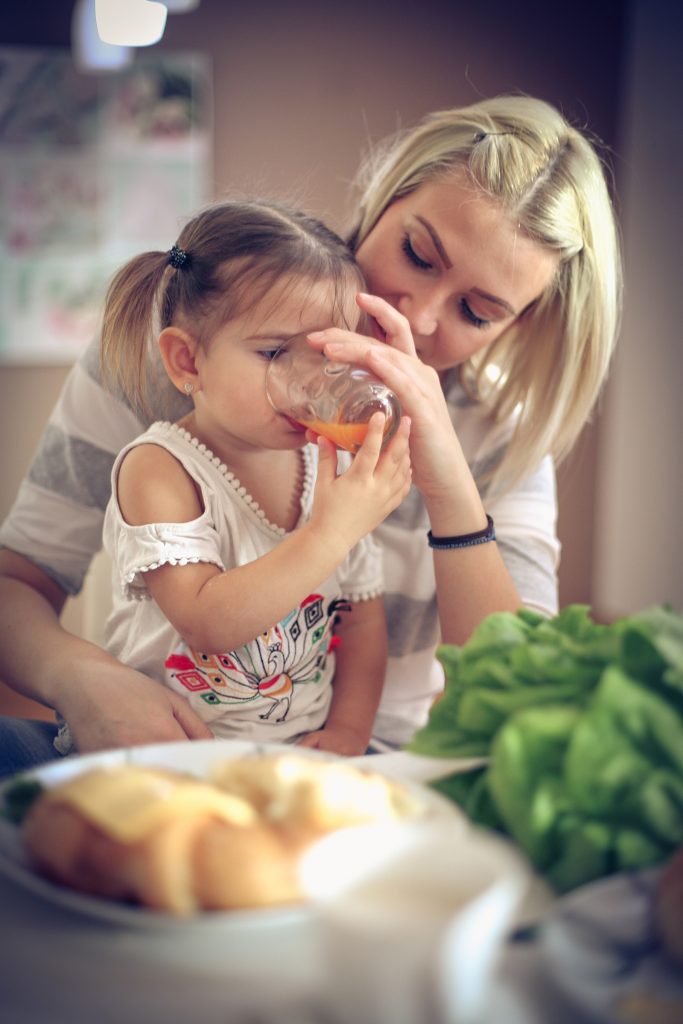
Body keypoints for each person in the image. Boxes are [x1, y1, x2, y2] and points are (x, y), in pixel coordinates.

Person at [0, 94, 622, 773]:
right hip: (169, 739)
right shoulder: (181, 359)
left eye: (476, 311)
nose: (416, 320)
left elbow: (519, 700)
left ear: (517, 325)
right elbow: (17, 581)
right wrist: (84, 679)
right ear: (384, 200)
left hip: (373, 763)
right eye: (416, 253)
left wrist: (446, 484)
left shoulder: (504, 429)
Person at [57, 199, 413, 761]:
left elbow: (364, 626)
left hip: (296, 758)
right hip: (166, 756)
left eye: (328, 354)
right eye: (275, 351)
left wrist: (348, 733)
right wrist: (329, 533)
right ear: (188, 362)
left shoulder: (332, 469)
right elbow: (207, 622)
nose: (311, 380)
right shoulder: (160, 468)